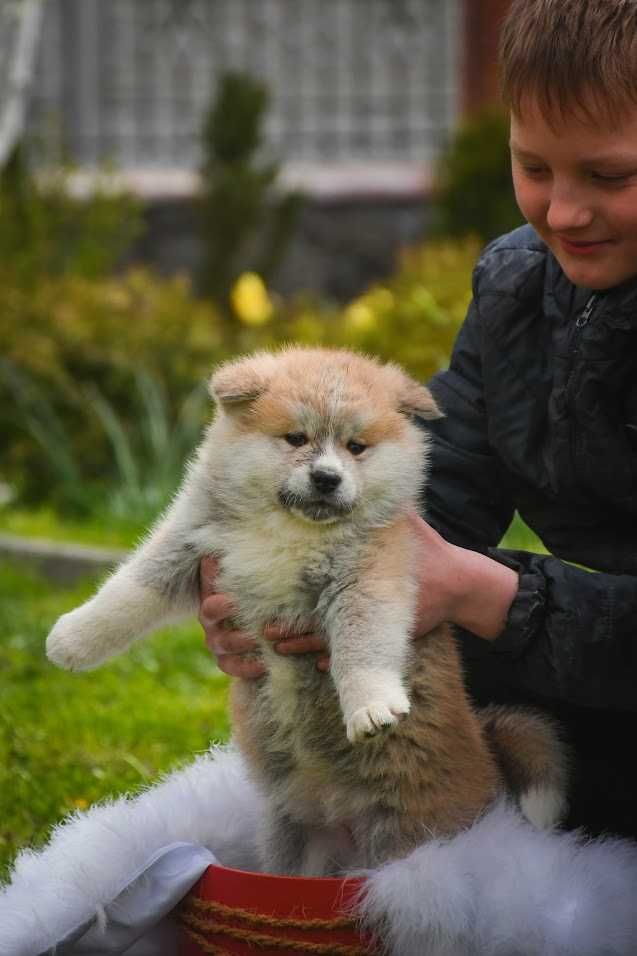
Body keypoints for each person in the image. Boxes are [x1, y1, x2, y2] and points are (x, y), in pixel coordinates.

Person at [200, 0, 637, 840]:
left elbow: (468, 584)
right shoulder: (518, 287)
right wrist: (274, 575)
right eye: (532, 167)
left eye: (609, 177)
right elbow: (439, 486)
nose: (562, 213)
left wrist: (491, 593)